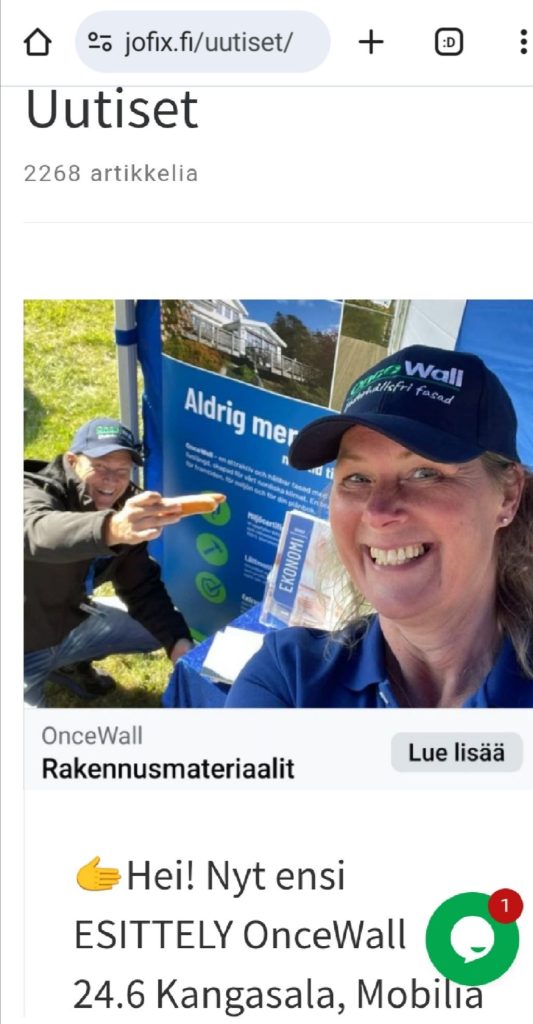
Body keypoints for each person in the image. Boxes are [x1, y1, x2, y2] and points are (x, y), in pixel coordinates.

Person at [226, 345, 533, 708]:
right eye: (357, 478)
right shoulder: (289, 678)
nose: (378, 511)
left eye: (425, 473)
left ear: (508, 495)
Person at [24, 417, 193, 706]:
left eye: (122, 471)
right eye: (100, 467)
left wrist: (180, 646)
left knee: (159, 630)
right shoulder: (30, 490)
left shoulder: (125, 507)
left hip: (69, 624)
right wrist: (112, 528)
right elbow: (37, 532)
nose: (111, 481)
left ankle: (68, 663)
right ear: (73, 461)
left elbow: (140, 587)